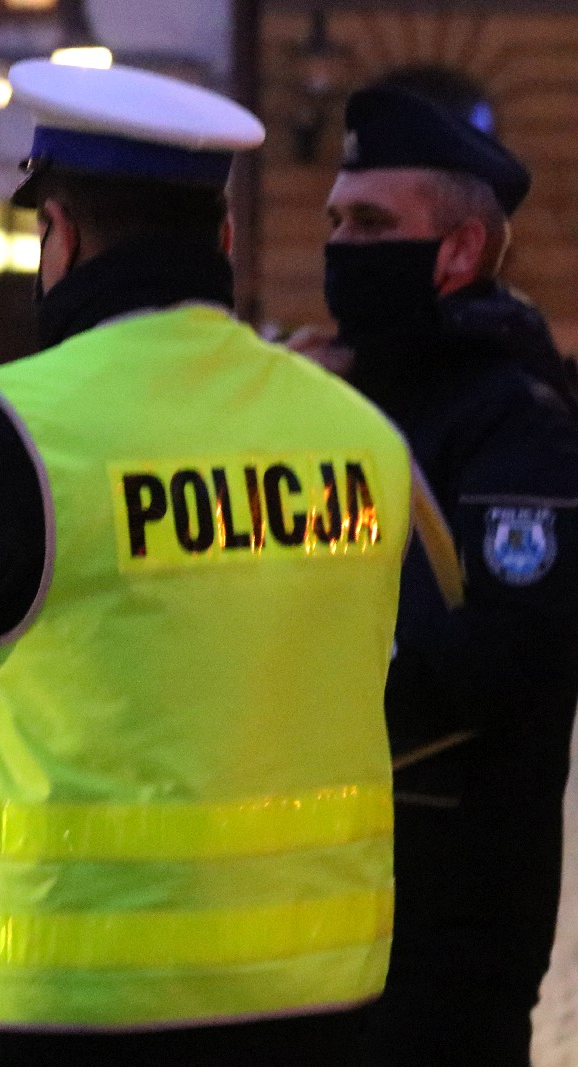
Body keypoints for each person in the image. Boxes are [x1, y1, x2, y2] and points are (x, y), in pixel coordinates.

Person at [0, 59, 413, 1067]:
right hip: (309, 1004)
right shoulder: (359, 437)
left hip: (55, 1005)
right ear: (223, 239)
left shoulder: (15, 435)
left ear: (63, 235)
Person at [297, 86, 578, 1067]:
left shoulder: (516, 416)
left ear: (458, 251)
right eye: (336, 221)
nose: (342, 245)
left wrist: (288, 708)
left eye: (373, 224)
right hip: (315, 899)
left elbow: (508, 652)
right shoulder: (337, 391)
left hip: (452, 915)